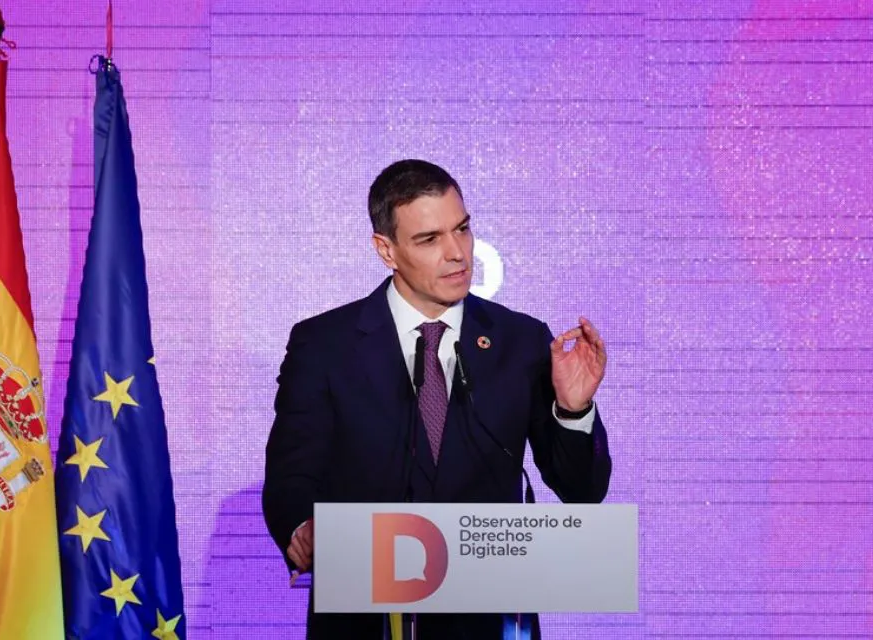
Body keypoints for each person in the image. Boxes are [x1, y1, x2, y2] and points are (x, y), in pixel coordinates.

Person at [262, 159, 612, 639]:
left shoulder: (521, 341)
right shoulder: (325, 344)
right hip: (365, 620)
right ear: (386, 250)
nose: (458, 254)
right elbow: (291, 473)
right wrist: (304, 527)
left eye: (462, 230)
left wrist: (573, 411)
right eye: (430, 240)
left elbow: (582, 490)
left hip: (487, 620)